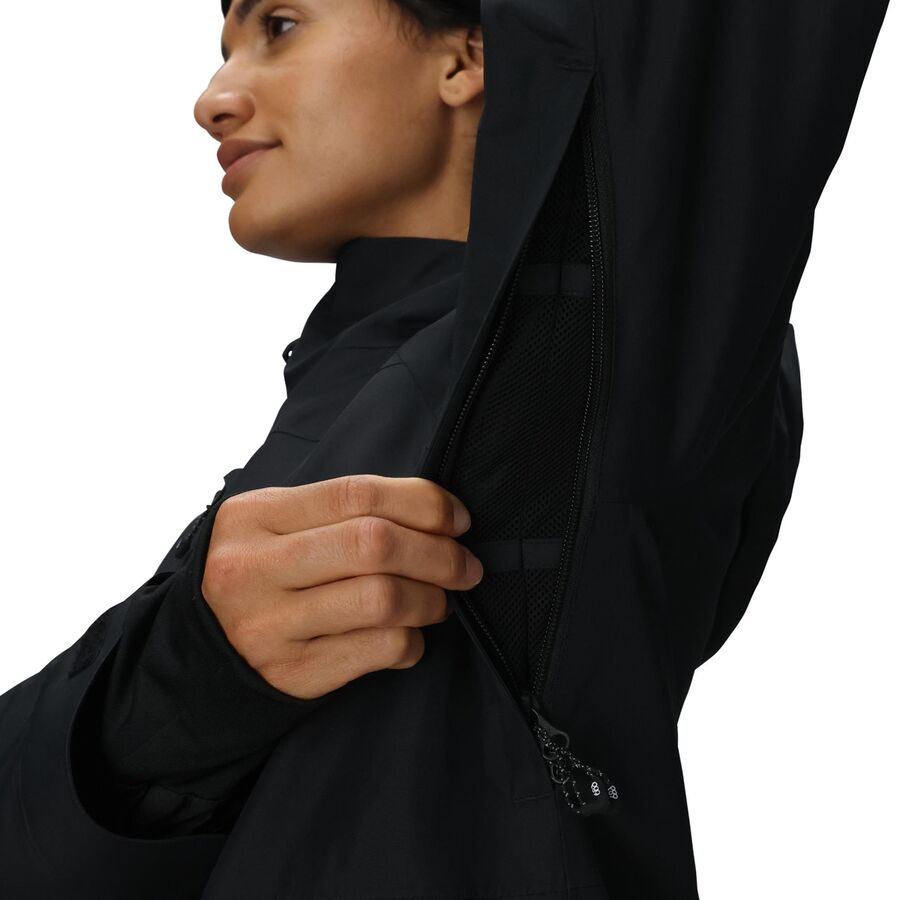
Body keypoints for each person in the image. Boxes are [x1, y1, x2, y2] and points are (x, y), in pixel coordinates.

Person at [0, 1, 891, 898]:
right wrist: (182, 678)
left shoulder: (594, 337)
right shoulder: (349, 384)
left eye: (279, 26)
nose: (213, 98)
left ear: (468, 56)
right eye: (223, 48)